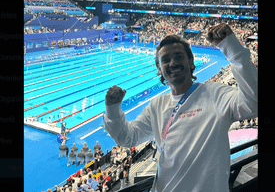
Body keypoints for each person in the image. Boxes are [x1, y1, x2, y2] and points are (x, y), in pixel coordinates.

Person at [104, 23, 258, 192]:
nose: (172, 63)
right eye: (166, 60)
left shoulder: (215, 94)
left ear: (191, 62)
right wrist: (112, 109)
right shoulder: (157, 106)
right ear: (159, 69)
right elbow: (128, 138)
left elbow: (253, 103)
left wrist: (233, 49)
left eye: (178, 56)